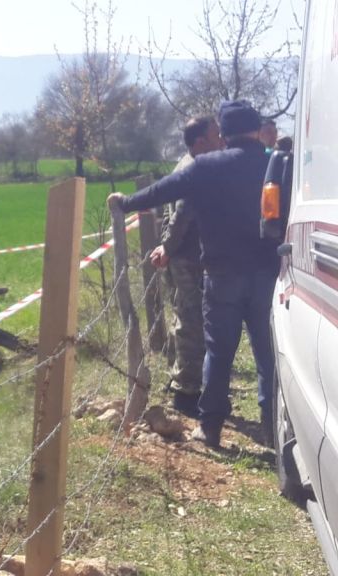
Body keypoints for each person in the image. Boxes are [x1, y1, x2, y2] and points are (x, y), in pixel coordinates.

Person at [108, 100, 280, 448]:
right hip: (268, 275)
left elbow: (162, 191)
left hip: (221, 274)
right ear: (256, 129)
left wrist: (125, 203)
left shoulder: (206, 167)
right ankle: (272, 425)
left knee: (218, 352)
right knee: (267, 353)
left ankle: (210, 427)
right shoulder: (276, 164)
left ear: (225, 133)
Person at [147, 116, 223, 415]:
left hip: (185, 254)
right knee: (192, 321)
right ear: (201, 142)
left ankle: (183, 376)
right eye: (216, 135)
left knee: (188, 316)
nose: (221, 140)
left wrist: (167, 246)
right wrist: (167, 247)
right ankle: (186, 391)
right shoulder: (194, 169)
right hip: (188, 257)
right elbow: (180, 216)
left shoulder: (188, 165)